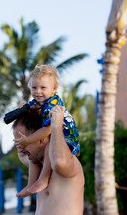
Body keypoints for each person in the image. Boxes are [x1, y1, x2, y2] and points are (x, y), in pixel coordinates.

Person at [13, 64, 80, 198]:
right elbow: (30, 107)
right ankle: (31, 183)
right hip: (53, 136)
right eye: (34, 87)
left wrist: (29, 140)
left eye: (43, 88)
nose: (38, 91)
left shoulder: (52, 105)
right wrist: (24, 107)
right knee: (33, 155)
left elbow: (47, 129)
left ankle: (43, 179)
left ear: (54, 89)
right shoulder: (38, 101)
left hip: (67, 140)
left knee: (49, 146)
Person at [13, 106, 84, 215]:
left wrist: (55, 125)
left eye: (23, 143)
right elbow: (21, 155)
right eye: (18, 145)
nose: (20, 150)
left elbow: (59, 162)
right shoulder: (37, 164)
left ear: (41, 139)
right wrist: (23, 113)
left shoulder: (68, 162)